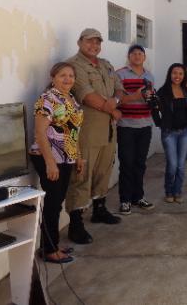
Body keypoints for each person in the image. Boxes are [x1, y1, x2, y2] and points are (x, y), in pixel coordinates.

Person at [66, 28, 123, 244]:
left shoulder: (106, 64)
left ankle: (99, 209)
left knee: (104, 169)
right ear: (79, 42)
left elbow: (119, 89)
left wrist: (115, 104)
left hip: (108, 129)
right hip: (87, 131)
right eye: (89, 42)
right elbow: (87, 96)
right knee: (82, 174)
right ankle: (76, 223)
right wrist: (113, 109)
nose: (94, 46)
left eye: (97, 42)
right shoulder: (74, 65)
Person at [30, 62, 84, 263]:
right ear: (53, 77)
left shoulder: (71, 99)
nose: (68, 79)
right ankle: (49, 250)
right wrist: (50, 163)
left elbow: (73, 131)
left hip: (66, 157)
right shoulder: (48, 99)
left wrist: (77, 156)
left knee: (57, 202)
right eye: (63, 75)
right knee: (53, 204)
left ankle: (52, 244)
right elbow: (40, 133)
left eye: (71, 75)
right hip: (49, 156)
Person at [116, 45, 156, 215]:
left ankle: (138, 197)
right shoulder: (120, 74)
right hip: (126, 126)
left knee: (140, 164)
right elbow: (117, 101)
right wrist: (136, 95)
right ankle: (125, 200)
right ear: (129, 56)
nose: (138, 56)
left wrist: (152, 99)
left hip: (145, 125)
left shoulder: (149, 76)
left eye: (141, 53)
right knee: (126, 164)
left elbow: (149, 99)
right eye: (134, 54)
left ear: (144, 57)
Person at [153, 63, 187, 203]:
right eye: (175, 73)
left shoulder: (186, 90)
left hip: (185, 132)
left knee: (181, 166)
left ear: (184, 76)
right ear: (170, 74)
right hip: (169, 133)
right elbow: (153, 107)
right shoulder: (163, 91)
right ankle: (169, 191)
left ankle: (177, 191)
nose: (177, 76)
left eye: (181, 74)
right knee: (172, 165)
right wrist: (159, 123)